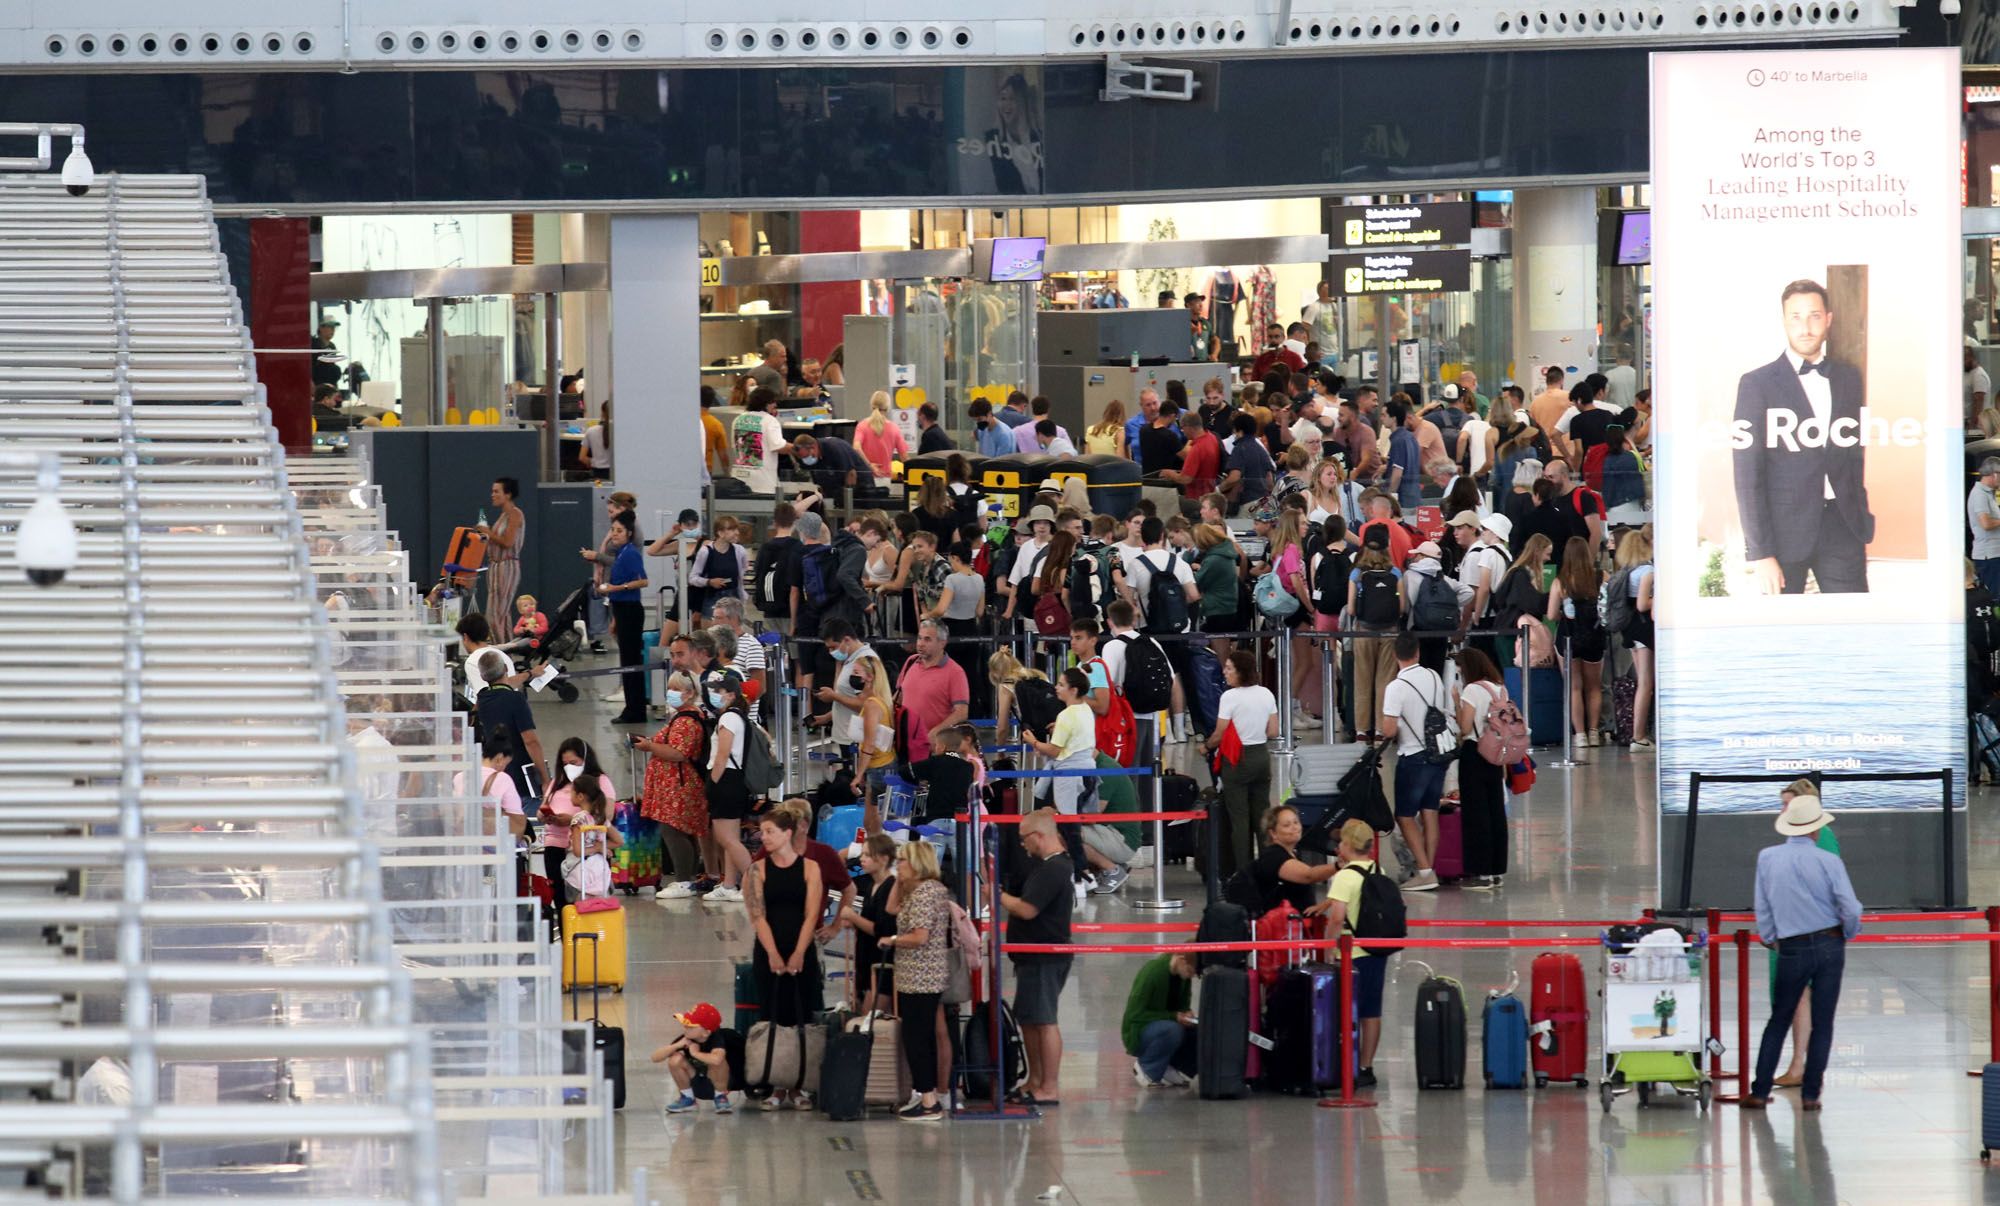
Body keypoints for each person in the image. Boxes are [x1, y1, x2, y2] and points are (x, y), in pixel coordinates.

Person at [1733, 279, 1873, 596]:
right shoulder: (1757, 384)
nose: (1805, 327)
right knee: (1782, 625)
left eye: (1814, 316)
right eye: (1796, 317)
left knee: (1853, 621)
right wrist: (1761, 551)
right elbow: (1747, 474)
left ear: (1828, 319)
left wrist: (1859, 513)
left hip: (1842, 527)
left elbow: (1853, 456)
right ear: (1784, 321)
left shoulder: (1849, 378)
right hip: (1782, 533)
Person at [1741, 787, 1863, 1111]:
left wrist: (1771, 937)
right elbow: (1850, 906)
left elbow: (1763, 906)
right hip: (1829, 945)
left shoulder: (1767, 858)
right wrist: (1848, 932)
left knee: (1779, 1019)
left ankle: (1759, 1091)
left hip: (1790, 948)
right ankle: (1810, 1095)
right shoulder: (1829, 861)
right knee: (1823, 1023)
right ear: (1816, 828)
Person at [744, 807, 824, 1110]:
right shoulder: (757, 870)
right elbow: (757, 915)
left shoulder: (810, 868)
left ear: (787, 833)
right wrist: (774, 953)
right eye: (762, 832)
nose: (763, 838)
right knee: (773, 1012)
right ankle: (776, 1083)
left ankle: (800, 1083)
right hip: (769, 949)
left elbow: (811, 914)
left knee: (802, 1013)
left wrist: (799, 952)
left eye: (769, 832)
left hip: (801, 947)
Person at [1000, 809, 1075, 1107]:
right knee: (1029, 1019)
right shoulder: (1047, 867)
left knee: (1044, 1020)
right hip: (1032, 955)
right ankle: (1035, 1079)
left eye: (1024, 838)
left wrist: (996, 895)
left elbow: (1027, 909)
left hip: (1045, 956)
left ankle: (1049, 1086)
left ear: (1039, 836)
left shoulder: (1053, 869)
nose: (1022, 845)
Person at [878, 840, 952, 1121]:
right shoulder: (926, 890)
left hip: (921, 976)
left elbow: (920, 936)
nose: (898, 865)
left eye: (903, 861)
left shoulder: (924, 894)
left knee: (916, 1038)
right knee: (921, 1035)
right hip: (920, 976)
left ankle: (929, 1100)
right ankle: (927, 1094)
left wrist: (893, 940)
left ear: (917, 863)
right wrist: (899, 880)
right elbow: (891, 908)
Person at [1380, 632, 1452, 891]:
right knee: (1430, 812)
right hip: (1438, 753)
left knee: (1404, 815)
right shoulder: (1433, 676)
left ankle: (1424, 871)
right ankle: (1428, 868)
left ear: (1394, 655)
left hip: (1413, 756)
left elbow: (1389, 730)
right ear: (1418, 651)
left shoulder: (1396, 687)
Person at [1323, 818, 1393, 1086]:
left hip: (1351, 955)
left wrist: (1329, 947)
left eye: (1341, 841)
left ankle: (1345, 1063)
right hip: (1376, 951)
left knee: (1345, 1010)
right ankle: (1366, 1066)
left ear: (1348, 845)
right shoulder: (1378, 869)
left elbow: (1337, 918)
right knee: (1371, 1011)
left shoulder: (1344, 877)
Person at [1204, 650, 1279, 879]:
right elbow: (1273, 731)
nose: (1224, 672)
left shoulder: (1230, 697)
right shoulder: (1266, 693)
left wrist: (1206, 747)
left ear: (1240, 672)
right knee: (1262, 816)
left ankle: (1243, 872)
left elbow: (1219, 733)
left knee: (1239, 819)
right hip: (1261, 757)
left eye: (1229, 668)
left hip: (1237, 760)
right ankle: (1268, 868)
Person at [637, 672, 711, 900]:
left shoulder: (686, 721)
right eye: (670, 688)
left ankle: (683, 880)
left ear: (690, 693)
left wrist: (650, 746)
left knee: (672, 830)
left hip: (680, 784)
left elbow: (679, 753)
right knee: (683, 831)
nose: (671, 693)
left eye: (676, 689)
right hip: (676, 783)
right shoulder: (684, 717)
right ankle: (687, 878)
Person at [1452, 647, 1509, 890]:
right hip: (1495, 752)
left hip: (1474, 753)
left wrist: (1457, 704)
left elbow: (1465, 728)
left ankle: (1481, 873)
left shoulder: (1471, 690)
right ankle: (1497, 871)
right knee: (1496, 811)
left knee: (1477, 814)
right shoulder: (1500, 689)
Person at [540, 738, 617, 914]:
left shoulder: (600, 781)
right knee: (560, 897)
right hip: (554, 844)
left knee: (588, 899)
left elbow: (607, 815)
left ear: (585, 759)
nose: (569, 767)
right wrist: (546, 816)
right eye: (565, 763)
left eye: (574, 762)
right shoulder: (557, 782)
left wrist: (573, 820)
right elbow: (542, 807)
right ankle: (566, 930)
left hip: (585, 850)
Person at [700, 674, 757, 904]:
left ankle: (755, 884)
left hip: (725, 780)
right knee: (732, 839)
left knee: (727, 840)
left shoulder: (728, 718)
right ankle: (729, 885)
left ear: (732, 695)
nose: (714, 695)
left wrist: (712, 783)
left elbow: (722, 755)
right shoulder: (739, 716)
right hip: (736, 781)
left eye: (718, 691)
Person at [1545, 535, 1606, 747]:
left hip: (1568, 636)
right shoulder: (1601, 576)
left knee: (1574, 687)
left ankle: (1579, 735)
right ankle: (1594, 732)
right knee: (1594, 687)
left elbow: (1551, 614)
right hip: (1595, 635)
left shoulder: (1560, 582)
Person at [593, 510, 650, 725]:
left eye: (619, 531)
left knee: (632, 661)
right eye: (613, 530)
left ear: (629, 533)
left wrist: (616, 588)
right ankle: (631, 706)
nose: (615, 534)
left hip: (630, 610)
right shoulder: (620, 553)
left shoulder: (631, 553)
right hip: (621, 610)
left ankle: (636, 710)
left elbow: (643, 581)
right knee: (627, 660)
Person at [896, 619, 971, 764]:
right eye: (919, 638)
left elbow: (961, 712)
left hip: (935, 750)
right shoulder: (911, 662)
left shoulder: (955, 672)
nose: (920, 644)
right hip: (906, 745)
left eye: (927, 639)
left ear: (942, 643)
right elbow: (899, 697)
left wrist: (935, 732)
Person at [1122, 949, 1198, 1089]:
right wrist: (1173, 1016)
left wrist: (1187, 1014)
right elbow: (1135, 1014)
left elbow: (1183, 1005)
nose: (1191, 976)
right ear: (1181, 959)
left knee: (1195, 1029)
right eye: (1190, 971)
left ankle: (1169, 1066)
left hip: (1163, 1027)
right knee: (1172, 1029)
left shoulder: (1184, 978)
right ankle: (1146, 1067)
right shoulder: (1153, 972)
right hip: (1138, 1030)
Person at [653, 1002, 742, 1116]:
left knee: (717, 1061)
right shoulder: (686, 1038)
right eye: (685, 1025)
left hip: (719, 1084)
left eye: (690, 1026)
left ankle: (720, 1097)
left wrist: (695, 1053)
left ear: (706, 1032)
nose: (685, 1028)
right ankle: (687, 1098)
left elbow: (717, 1060)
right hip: (697, 1083)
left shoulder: (716, 1038)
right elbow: (655, 1058)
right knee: (675, 1059)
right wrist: (676, 1046)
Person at [1249, 803, 1340, 916]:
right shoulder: (1273, 856)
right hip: (1283, 925)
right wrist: (1339, 865)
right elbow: (1309, 875)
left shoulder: (1292, 854)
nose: (1295, 827)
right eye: (1287, 825)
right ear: (1273, 833)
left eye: (1296, 822)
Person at [844, 833, 900, 1014]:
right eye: (862, 854)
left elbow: (882, 930)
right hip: (867, 962)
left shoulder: (890, 887)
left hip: (883, 963)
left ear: (884, 859)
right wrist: (854, 923)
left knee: (871, 1021)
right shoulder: (871, 886)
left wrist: (853, 917)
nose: (862, 859)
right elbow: (869, 923)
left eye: (867, 855)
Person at [458, 724, 528, 839]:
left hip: (464, 839)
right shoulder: (502, 778)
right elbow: (516, 818)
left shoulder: (459, 776)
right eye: (506, 764)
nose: (504, 769)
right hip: (492, 842)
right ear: (499, 758)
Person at [477, 477, 526, 635]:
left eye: (496, 491)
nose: (492, 495)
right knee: (502, 614)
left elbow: (508, 542)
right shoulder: (504, 515)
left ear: (508, 494)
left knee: (495, 615)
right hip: (496, 567)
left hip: (506, 567)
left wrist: (488, 532)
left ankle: (499, 648)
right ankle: (506, 647)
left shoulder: (515, 514)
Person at [730, 388, 787, 495]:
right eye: (773, 402)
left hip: (738, 482)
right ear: (765, 403)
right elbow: (779, 446)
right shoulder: (770, 421)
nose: (775, 405)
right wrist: (798, 447)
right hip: (763, 484)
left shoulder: (737, 420)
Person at [854, 391, 909, 482]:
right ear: (888, 407)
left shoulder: (862, 426)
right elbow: (905, 458)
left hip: (866, 478)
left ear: (871, 405)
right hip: (885, 478)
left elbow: (856, 448)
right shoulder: (894, 428)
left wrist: (869, 465)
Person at [1383, 399, 1424, 512]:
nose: (1381, 418)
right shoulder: (1411, 437)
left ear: (1393, 418)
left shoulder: (1398, 441)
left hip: (1403, 498)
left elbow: (1397, 473)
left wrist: (1390, 497)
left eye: (1384, 415)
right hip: (1414, 495)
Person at [1971, 458, 2000, 597]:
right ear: (1995, 474)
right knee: (1995, 597)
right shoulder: (1979, 494)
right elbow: (1986, 524)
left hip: (1994, 554)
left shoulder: (1988, 494)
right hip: (1988, 557)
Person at [579, 396, 614, 480]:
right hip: (617, 474)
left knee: (599, 488)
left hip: (598, 475)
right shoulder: (620, 433)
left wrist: (593, 461)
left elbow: (582, 458)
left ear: (602, 413)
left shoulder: (591, 431)